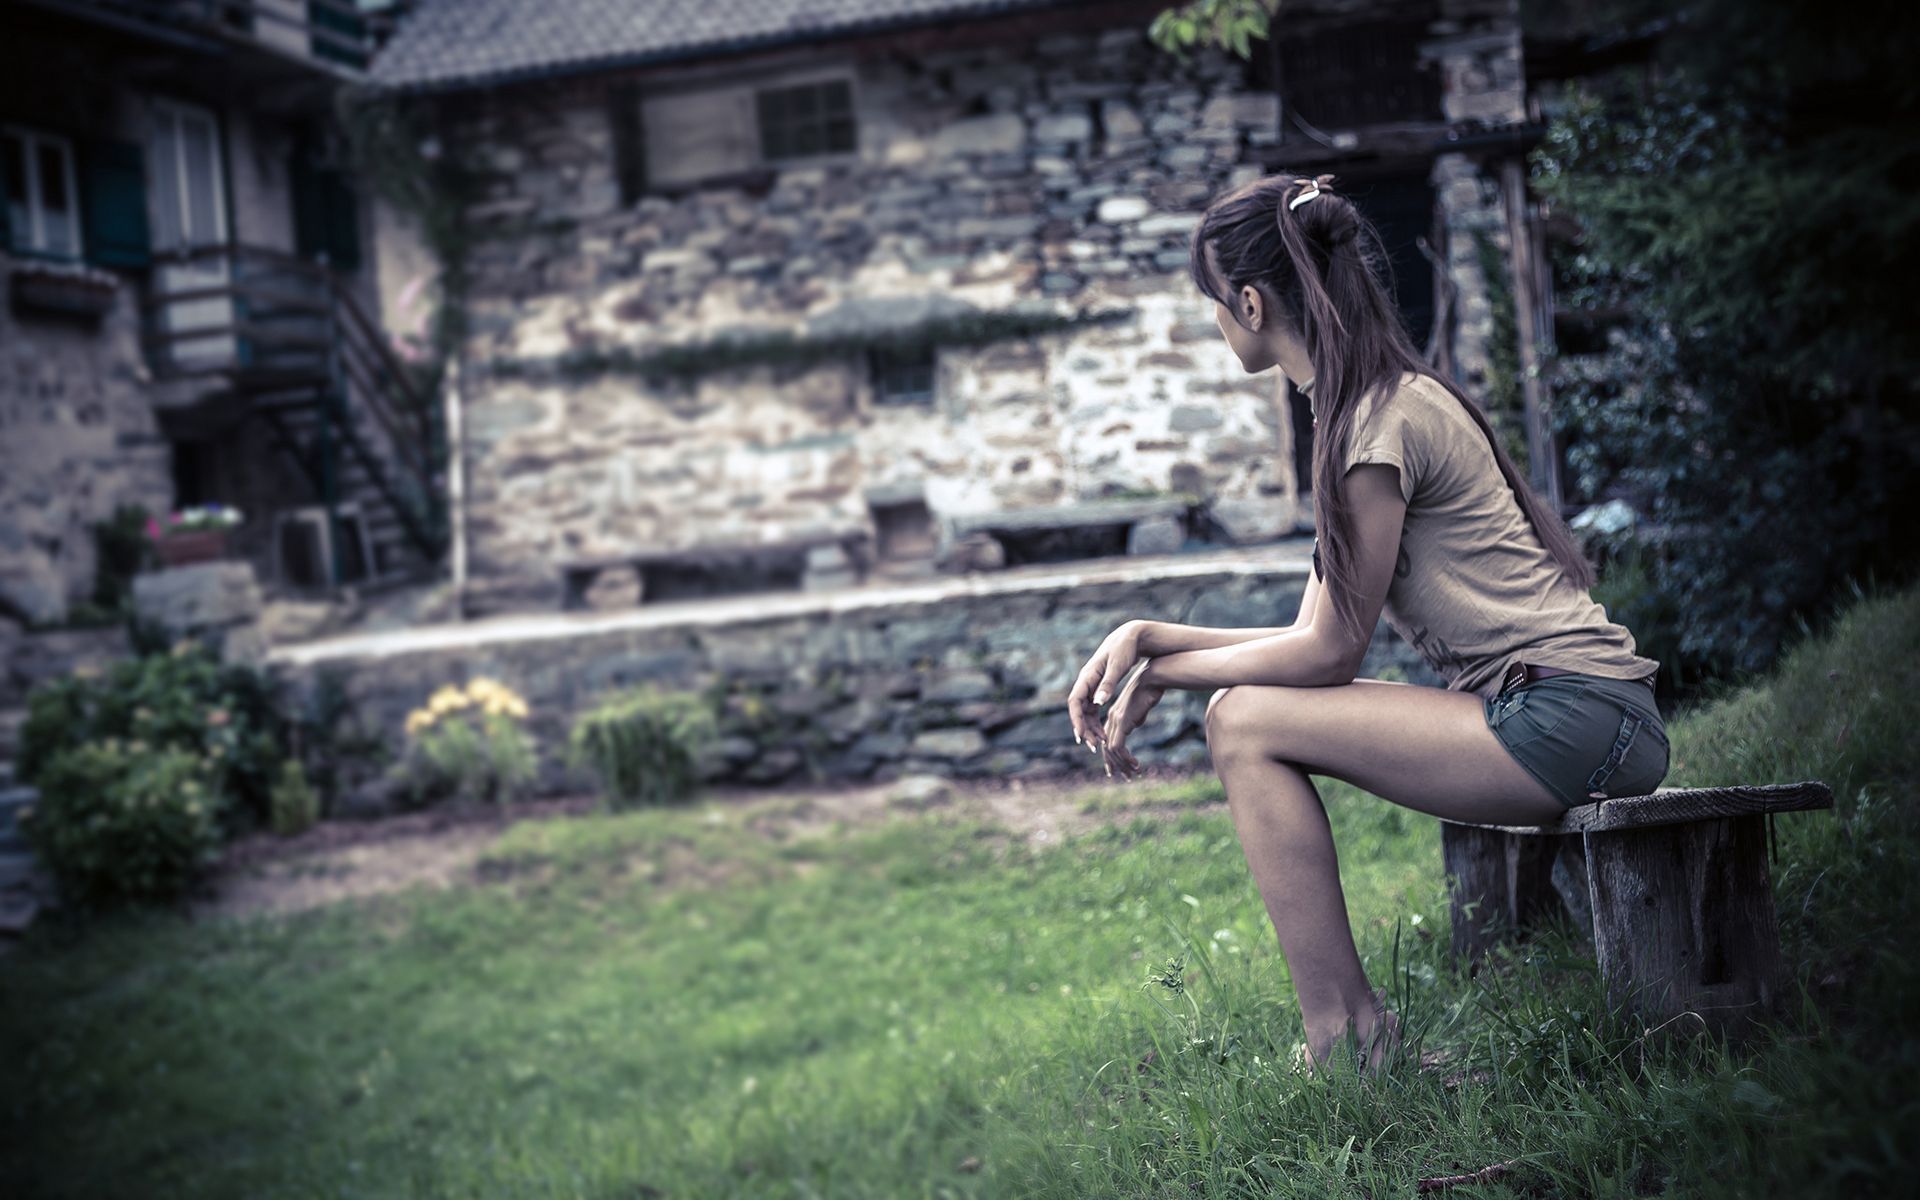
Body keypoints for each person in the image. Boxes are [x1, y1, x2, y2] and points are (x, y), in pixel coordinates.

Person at [1063, 172, 1670, 1077]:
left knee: (1240, 719)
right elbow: (1318, 631)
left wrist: (1167, 669)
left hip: (1569, 719)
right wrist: (1154, 638)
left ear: (1252, 301)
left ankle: (1348, 1043)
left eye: (1213, 306)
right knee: (1243, 707)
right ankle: (1353, 1037)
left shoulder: (1368, 429)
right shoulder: (1381, 400)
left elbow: (1327, 655)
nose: (1217, 325)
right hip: (1586, 715)